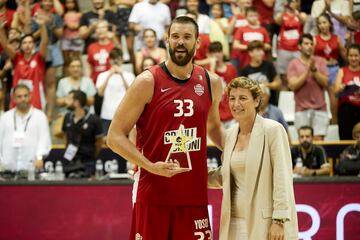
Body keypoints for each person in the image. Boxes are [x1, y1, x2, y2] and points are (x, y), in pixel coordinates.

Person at [107, 16, 223, 239]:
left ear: (198, 42)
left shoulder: (211, 82)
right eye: (176, 36)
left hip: (193, 195)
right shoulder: (147, 81)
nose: (181, 42)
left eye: (187, 37)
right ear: (167, 40)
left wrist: (242, 150)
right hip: (153, 193)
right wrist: (150, 166)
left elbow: (215, 128)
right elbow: (114, 137)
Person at [208, 76, 298, 239]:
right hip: (233, 222)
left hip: (264, 222)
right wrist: (195, 176)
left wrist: (279, 220)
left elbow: (282, 176)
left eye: (243, 98)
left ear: (257, 101)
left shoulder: (273, 130)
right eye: (232, 98)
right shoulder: (230, 135)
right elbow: (226, 176)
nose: (236, 104)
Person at [0, 14, 48, 111]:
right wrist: (1, 30)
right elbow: (5, 45)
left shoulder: (39, 57)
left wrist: (42, 26)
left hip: (36, 97)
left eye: (30, 42)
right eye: (25, 43)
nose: (27, 45)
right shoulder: (16, 57)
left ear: (34, 45)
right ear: (21, 46)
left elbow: (44, 42)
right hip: (18, 97)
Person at [0, 84, 51, 172]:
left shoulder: (40, 117)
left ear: (30, 96)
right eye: (19, 96)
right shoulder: (5, 118)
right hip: (7, 168)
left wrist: (39, 157)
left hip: (32, 168)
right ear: (14, 98)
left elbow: (44, 140)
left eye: (25, 96)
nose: (23, 99)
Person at [287, 33, 329, 140]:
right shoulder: (293, 63)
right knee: (304, 141)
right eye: (306, 43)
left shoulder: (321, 61)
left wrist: (314, 70)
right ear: (299, 46)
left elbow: (325, 83)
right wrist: (307, 71)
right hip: (301, 109)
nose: (309, 46)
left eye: (311, 44)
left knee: (318, 142)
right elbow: (293, 85)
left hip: (320, 108)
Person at [61, 90, 103, 178]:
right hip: (70, 160)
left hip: (88, 161)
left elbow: (99, 142)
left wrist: (91, 155)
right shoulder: (67, 117)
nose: (65, 101)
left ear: (76, 102)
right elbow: (65, 137)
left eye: (69, 99)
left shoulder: (94, 120)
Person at [314, 12, 346, 124]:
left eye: (324, 22)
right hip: (320, 71)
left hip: (334, 70)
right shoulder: (315, 39)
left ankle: (335, 124)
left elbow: (345, 56)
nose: (322, 25)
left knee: (334, 102)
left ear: (330, 24)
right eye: (319, 23)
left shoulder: (337, 39)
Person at [96, 47, 135, 134]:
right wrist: (109, 74)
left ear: (122, 59)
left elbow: (131, 94)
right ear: (110, 60)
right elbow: (100, 93)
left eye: (118, 59)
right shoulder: (102, 75)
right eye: (113, 59)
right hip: (106, 114)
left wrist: (121, 74)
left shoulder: (129, 75)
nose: (116, 61)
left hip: (124, 115)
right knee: (106, 144)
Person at [241, 40, 281, 105]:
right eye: (258, 50)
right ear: (250, 53)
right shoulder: (245, 71)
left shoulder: (269, 66)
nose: (262, 53)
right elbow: (243, 91)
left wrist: (266, 85)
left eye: (262, 50)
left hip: (270, 104)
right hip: (253, 107)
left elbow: (278, 84)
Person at [208, 41, 237, 128]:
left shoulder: (231, 68)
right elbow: (209, 86)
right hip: (215, 116)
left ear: (222, 53)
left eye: (218, 52)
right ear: (209, 55)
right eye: (213, 52)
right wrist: (212, 67)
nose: (216, 55)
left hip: (230, 115)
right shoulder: (207, 71)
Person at [334, 44, 360, 140]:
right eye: (351, 56)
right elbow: (336, 92)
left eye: (356, 56)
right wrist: (343, 87)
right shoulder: (342, 71)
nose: (353, 58)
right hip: (347, 109)